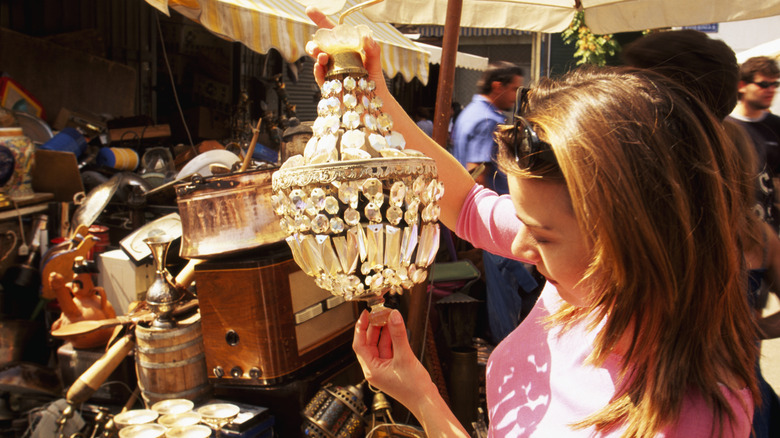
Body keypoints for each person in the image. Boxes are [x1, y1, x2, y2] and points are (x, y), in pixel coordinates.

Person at [306, 10, 758, 436]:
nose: (518, 245)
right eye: (520, 218)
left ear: (632, 239)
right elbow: (467, 205)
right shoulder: (587, 282)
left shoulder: (686, 419)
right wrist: (373, 95)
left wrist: (422, 397)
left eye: (542, 235)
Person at [452, 62, 540, 343]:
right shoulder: (488, 119)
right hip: (493, 219)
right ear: (497, 87)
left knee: (504, 295)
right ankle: (510, 352)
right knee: (508, 300)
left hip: (476, 218)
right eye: (514, 88)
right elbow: (476, 172)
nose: (517, 95)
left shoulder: (469, 112)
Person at [728, 56, 780, 235]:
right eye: (764, 84)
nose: (771, 90)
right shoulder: (724, 126)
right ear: (742, 85)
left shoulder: (776, 126)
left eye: (776, 85)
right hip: (733, 229)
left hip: (770, 229)